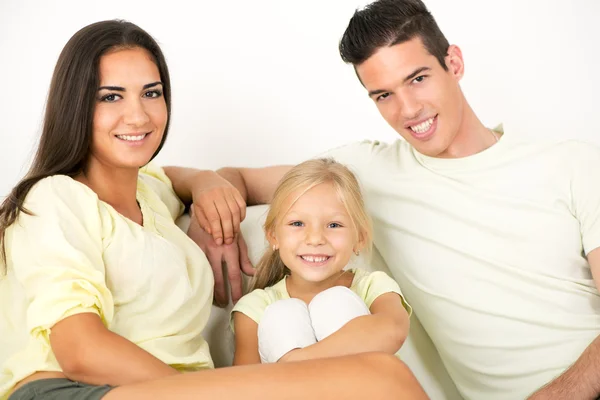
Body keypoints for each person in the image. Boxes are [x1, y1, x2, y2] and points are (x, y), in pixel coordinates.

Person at [181, 0, 600, 399]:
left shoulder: (572, 164)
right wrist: (209, 200)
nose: (408, 109)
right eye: (383, 95)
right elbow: (234, 179)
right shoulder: (366, 172)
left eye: (417, 79)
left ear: (453, 63)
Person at [0, 19, 428, 400]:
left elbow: (171, 177)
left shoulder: (149, 195)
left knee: (372, 378)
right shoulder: (54, 197)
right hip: (73, 388)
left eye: (152, 93)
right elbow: (80, 350)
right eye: (111, 97)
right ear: (76, 106)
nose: (137, 115)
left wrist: (206, 184)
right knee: (381, 377)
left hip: (177, 388)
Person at [231, 158, 412, 365]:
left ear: (359, 238)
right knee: (281, 314)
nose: (315, 238)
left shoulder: (373, 286)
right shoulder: (256, 308)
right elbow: (244, 384)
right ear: (273, 236)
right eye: (297, 223)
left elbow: (393, 330)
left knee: (335, 302)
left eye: (334, 225)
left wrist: (295, 362)